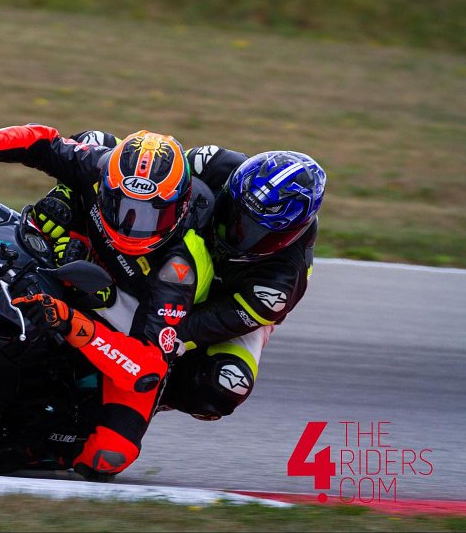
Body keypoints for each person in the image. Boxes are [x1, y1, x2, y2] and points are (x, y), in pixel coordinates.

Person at [0, 123, 215, 480]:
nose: (131, 226)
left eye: (150, 215)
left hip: (130, 329)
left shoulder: (178, 270)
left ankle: (32, 432)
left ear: (179, 208)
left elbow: (146, 368)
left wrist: (71, 322)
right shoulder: (98, 165)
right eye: (123, 207)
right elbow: (43, 142)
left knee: (107, 456)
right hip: (82, 278)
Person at [33, 131, 327, 422]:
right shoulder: (213, 162)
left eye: (256, 232)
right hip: (175, 243)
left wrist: (149, 338)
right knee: (96, 140)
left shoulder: (279, 285)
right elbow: (156, 176)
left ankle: (149, 394)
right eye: (233, 213)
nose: (234, 231)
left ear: (290, 235)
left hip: (220, 301)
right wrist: (68, 192)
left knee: (226, 385)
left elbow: (197, 326)